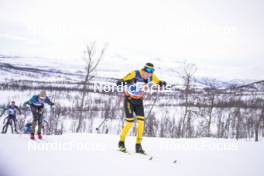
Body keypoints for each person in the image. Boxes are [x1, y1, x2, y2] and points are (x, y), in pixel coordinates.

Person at [116, 63, 166, 153]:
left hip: (139, 101)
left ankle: (138, 146)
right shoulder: (134, 73)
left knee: (141, 123)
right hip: (129, 100)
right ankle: (121, 142)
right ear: (143, 70)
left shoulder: (152, 76)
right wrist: (125, 82)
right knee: (130, 122)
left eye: (151, 73)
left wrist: (162, 83)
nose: (148, 75)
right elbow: (120, 81)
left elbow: (158, 82)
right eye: (147, 73)